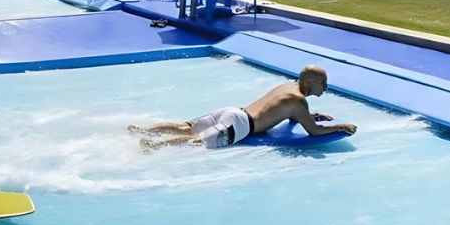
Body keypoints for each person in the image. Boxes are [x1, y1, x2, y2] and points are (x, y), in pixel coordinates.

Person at [131, 65, 357, 151]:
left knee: (187, 127)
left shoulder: (288, 88)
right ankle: (154, 145)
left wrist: (310, 115)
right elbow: (314, 131)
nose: (326, 87)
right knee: (199, 140)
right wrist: (341, 126)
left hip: (231, 111)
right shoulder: (299, 101)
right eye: (323, 83)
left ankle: (144, 130)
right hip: (241, 125)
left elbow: (288, 112)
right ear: (309, 84)